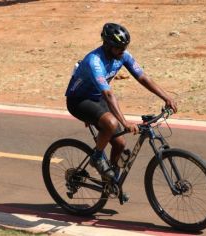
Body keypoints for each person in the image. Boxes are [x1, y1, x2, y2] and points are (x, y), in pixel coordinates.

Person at [65, 23, 177, 181]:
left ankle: (110, 182)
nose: (123, 51)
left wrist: (166, 97)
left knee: (120, 144)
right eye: (119, 48)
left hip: (98, 98)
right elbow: (109, 94)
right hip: (79, 101)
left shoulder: (123, 55)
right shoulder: (94, 61)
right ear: (107, 44)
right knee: (111, 123)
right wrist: (124, 122)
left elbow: (143, 77)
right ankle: (97, 157)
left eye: (125, 47)